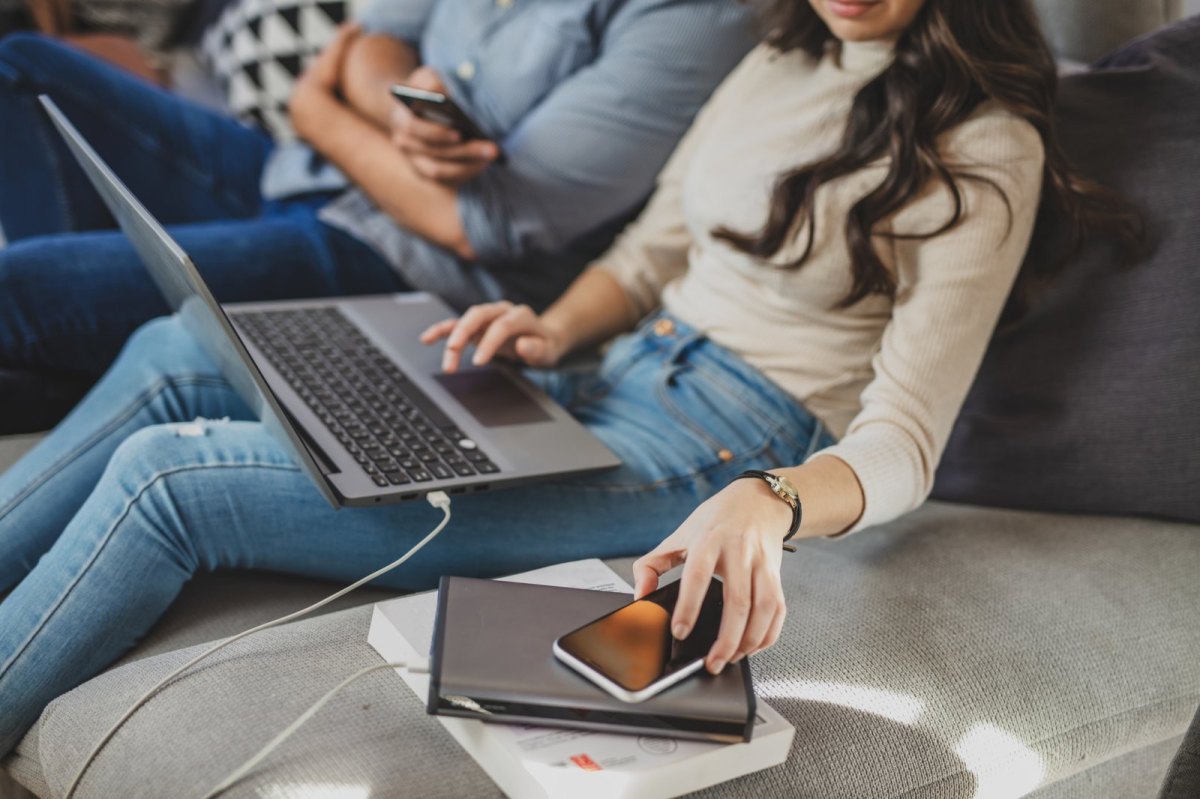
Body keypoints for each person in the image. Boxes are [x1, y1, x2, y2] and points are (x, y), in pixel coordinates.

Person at [0, 0, 1140, 756]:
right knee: (175, 347)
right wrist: (545, 327)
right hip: (595, 383)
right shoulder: (779, 57)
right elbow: (649, 255)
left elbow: (906, 440)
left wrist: (774, 497)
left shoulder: (989, 147)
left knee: (171, 480)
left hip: (708, 455)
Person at [0, 0, 755, 431]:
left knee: (18, 293)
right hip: (305, 174)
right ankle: (87, 339)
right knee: (23, 69)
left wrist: (319, 113)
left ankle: (75, 333)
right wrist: (394, 103)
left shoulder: (700, 17)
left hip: (409, 260)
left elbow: (483, 225)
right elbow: (372, 40)